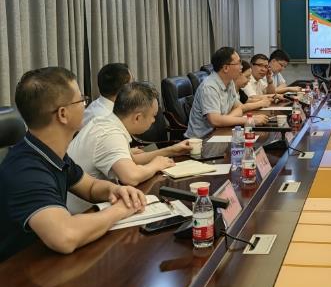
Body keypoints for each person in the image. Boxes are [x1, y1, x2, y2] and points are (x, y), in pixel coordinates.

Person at [0, 67, 146, 261]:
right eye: (81, 101)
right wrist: (121, 209)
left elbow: (90, 187)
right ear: (63, 114)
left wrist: (115, 190)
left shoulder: (49, 152)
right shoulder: (26, 170)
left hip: (47, 259)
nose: (85, 106)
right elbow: (65, 236)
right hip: (18, 271)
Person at [67, 82, 193, 212]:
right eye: (153, 116)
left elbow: (132, 161)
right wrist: (155, 165)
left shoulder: (106, 122)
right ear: (137, 117)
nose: (154, 120)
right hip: (83, 213)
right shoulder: (110, 134)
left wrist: (171, 150)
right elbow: (131, 177)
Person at [185, 47, 269, 139]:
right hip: (202, 140)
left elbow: (239, 108)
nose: (241, 67)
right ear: (225, 68)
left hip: (221, 131)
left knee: (259, 138)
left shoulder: (230, 82)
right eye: (238, 63)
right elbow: (215, 120)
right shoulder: (209, 87)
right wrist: (249, 120)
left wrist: (225, 119)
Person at [82, 63, 132, 127]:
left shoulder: (96, 105)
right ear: (124, 89)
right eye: (131, 85)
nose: (134, 89)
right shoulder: (106, 120)